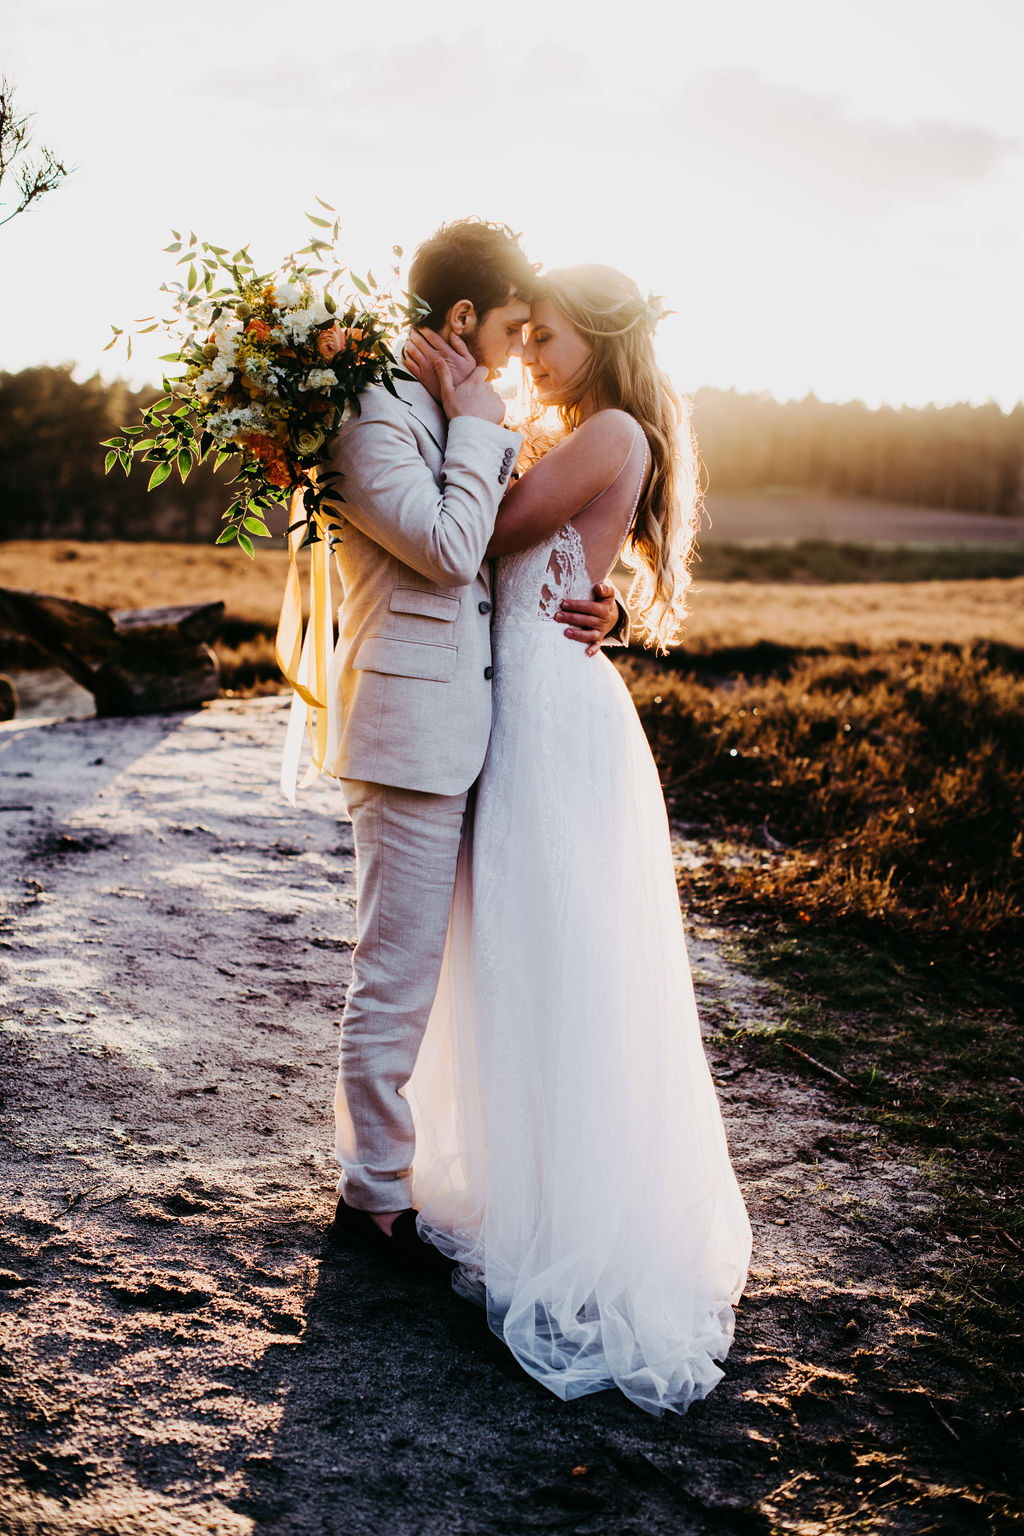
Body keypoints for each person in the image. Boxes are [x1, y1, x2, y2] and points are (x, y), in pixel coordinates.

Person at [402, 264, 752, 1414]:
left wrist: (464, 423)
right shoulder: (583, 427)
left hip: (555, 711)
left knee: (555, 948)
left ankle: (575, 1219)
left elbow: (493, 533)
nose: (529, 354)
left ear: (594, 339)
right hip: (537, 693)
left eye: (544, 336)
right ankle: (530, 1188)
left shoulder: (603, 428)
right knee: (524, 942)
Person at [320, 222, 625, 1275]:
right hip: (407, 733)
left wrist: (594, 602)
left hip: (471, 730)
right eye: (507, 327)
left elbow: (506, 560)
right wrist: (479, 422)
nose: (514, 351)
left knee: (450, 970)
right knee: (396, 972)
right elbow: (452, 550)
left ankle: (407, 1174)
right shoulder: (375, 415)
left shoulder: (440, 413)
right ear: (461, 321)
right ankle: (371, 1203)